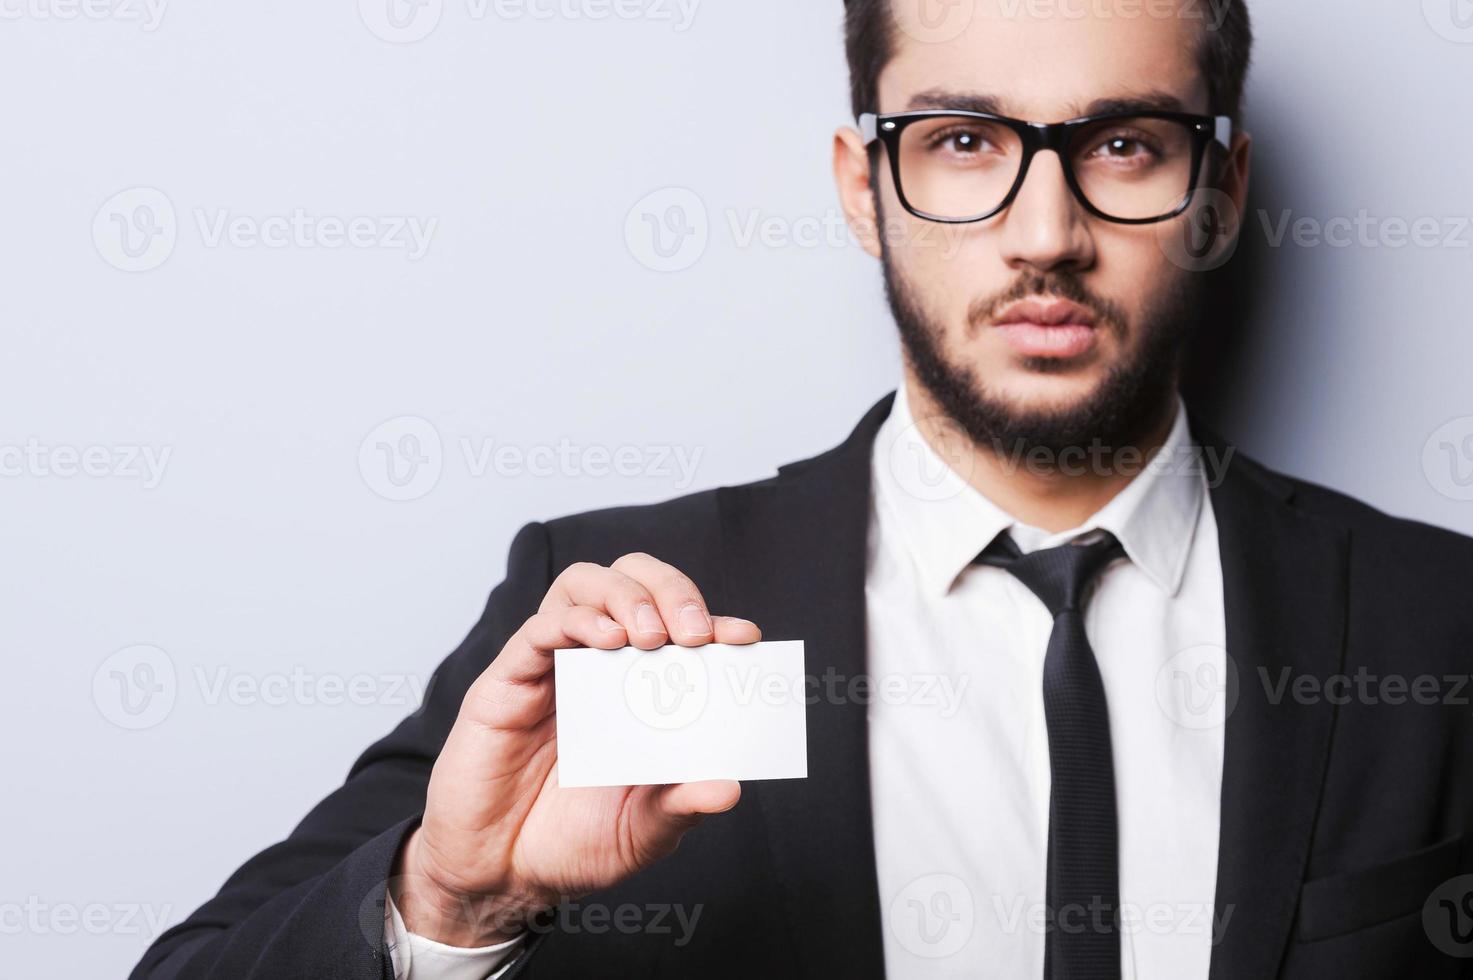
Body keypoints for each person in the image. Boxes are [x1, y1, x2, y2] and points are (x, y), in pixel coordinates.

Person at [131, 1, 1473, 977]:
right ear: (860, 188)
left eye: (1124, 145)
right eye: (960, 141)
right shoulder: (620, 616)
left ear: (1220, 192)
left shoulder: (1436, 624)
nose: (1044, 232)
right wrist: (451, 900)